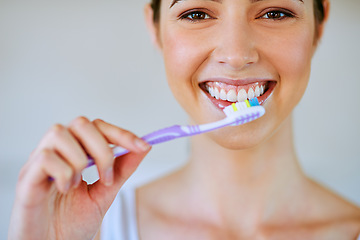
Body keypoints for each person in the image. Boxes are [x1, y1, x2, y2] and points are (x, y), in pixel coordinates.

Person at [7, 0, 360, 239]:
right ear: (155, 27)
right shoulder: (91, 228)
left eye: (276, 12)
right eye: (197, 14)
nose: (236, 55)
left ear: (319, 23)